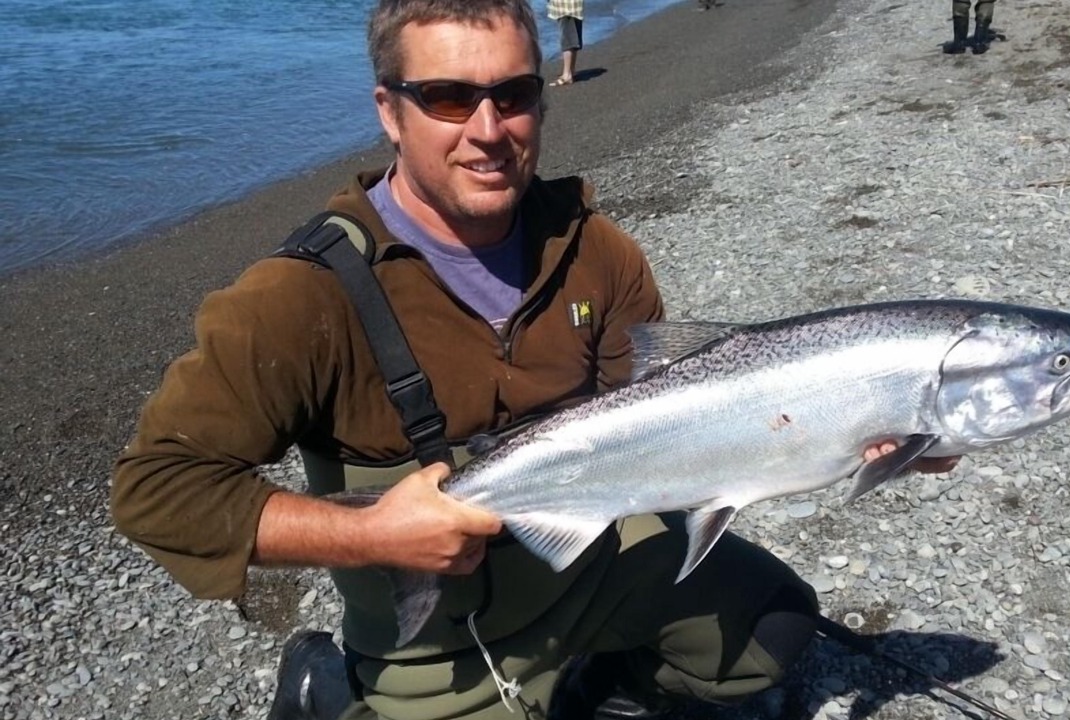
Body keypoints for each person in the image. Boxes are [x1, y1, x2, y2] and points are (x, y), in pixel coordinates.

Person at [111, 1, 959, 719]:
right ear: (389, 111)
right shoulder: (298, 298)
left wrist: (850, 431)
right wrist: (368, 533)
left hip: (592, 566)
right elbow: (155, 492)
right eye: (448, 97)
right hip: (441, 635)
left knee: (775, 627)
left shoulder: (595, 251)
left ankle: (596, 678)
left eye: (513, 95)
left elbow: (678, 424)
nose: (488, 131)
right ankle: (328, 684)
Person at [547, 0, 583, 87]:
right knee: (572, 37)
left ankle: (567, 75)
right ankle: (571, 71)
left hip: (566, 7)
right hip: (572, 7)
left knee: (567, 40)